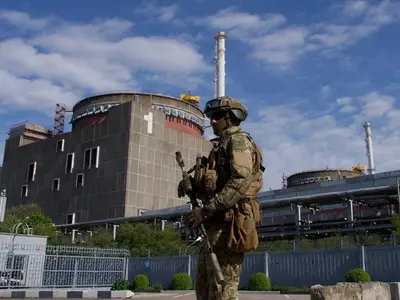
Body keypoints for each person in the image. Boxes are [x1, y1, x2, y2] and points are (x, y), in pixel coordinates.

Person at [178, 96, 265, 300]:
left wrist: (205, 210)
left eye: (217, 116)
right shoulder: (220, 146)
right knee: (205, 286)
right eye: (211, 116)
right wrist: (192, 183)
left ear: (230, 117)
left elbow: (240, 181)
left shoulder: (238, 141)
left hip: (230, 226)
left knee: (222, 290)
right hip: (215, 226)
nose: (212, 121)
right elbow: (216, 184)